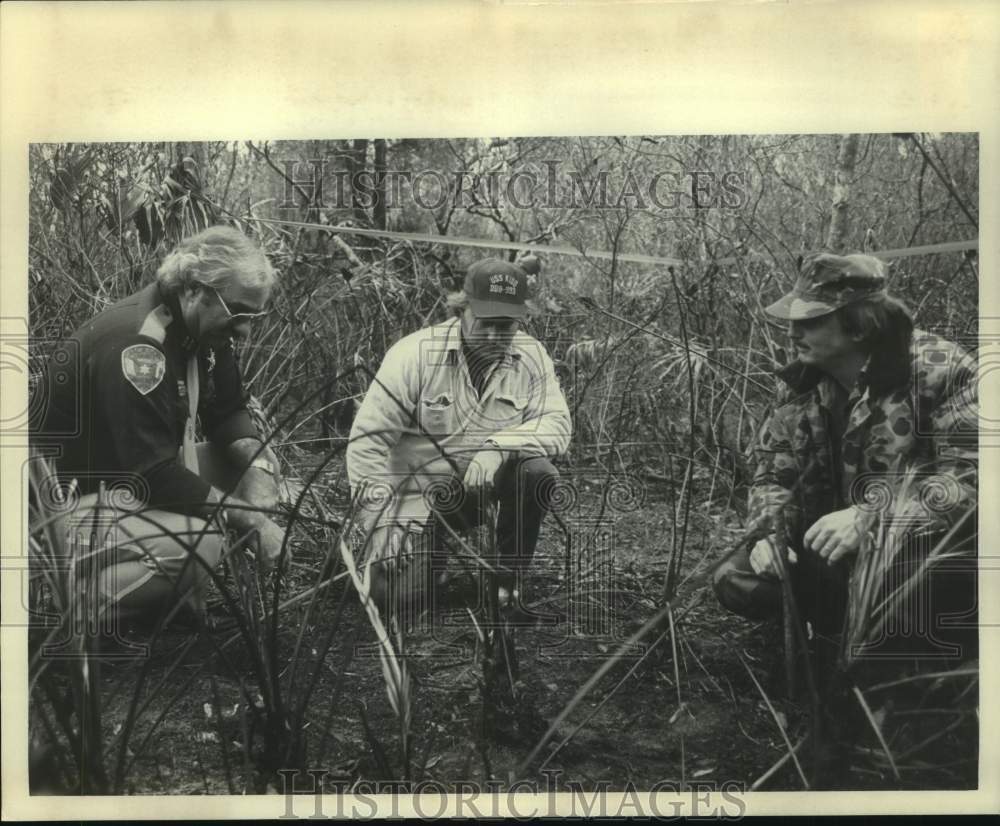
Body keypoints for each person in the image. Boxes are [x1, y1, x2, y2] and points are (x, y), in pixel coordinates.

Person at [713, 252, 977, 665]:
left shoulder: (943, 371)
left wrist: (871, 517)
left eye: (811, 321)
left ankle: (910, 668)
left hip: (918, 555)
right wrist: (770, 536)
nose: (794, 333)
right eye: (793, 320)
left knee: (914, 589)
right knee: (737, 579)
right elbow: (773, 477)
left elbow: (972, 484)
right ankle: (832, 647)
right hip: (835, 556)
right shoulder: (800, 384)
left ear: (859, 325)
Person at [35, 225, 288, 629]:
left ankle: (165, 593)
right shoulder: (140, 345)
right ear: (194, 289)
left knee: (247, 466)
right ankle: (75, 607)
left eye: (253, 316)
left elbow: (227, 410)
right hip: (64, 507)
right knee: (198, 542)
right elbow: (151, 473)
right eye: (239, 312)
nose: (244, 330)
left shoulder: (201, 331)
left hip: (122, 485)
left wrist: (257, 468)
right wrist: (253, 520)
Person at [346, 256, 571, 619]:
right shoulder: (414, 354)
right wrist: (380, 521)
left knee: (537, 473)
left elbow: (557, 423)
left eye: (507, 325)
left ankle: (506, 585)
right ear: (462, 309)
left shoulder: (531, 355)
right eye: (486, 324)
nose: (496, 337)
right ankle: (365, 553)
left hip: (480, 491)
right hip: (416, 496)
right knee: (396, 599)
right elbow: (367, 441)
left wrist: (497, 448)